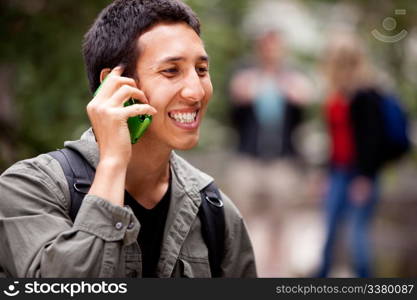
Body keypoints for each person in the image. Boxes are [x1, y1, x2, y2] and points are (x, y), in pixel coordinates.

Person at [0, 0, 257, 278]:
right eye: (171, 71)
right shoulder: (29, 189)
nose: (196, 92)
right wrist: (112, 163)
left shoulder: (215, 211)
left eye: (202, 70)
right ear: (115, 85)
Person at [227, 30, 310, 276]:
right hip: (248, 158)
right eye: (267, 46)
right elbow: (232, 118)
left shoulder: (293, 78)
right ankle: (246, 271)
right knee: (241, 219)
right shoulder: (244, 75)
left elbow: (300, 121)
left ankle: (278, 273)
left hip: (283, 160)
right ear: (259, 48)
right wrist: (239, 98)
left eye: (276, 46)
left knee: (281, 222)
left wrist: (298, 99)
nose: (271, 51)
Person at [317, 33, 388, 277]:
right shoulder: (335, 95)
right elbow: (334, 140)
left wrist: (365, 177)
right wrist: (326, 175)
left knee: (357, 233)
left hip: (360, 173)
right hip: (338, 170)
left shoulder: (366, 95)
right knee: (329, 230)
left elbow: (372, 140)